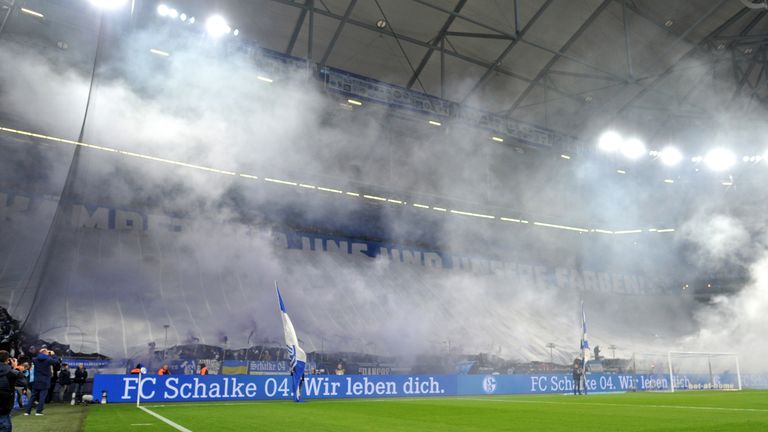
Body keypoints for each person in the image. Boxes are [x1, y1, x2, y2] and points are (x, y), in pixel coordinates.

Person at [25, 348, 59, 416]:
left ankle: (27, 412)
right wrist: (53, 355)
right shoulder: (48, 359)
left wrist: (44, 353)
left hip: (36, 380)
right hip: (45, 381)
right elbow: (57, 362)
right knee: (42, 397)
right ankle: (38, 412)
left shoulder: (34, 359)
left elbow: (38, 357)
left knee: (33, 397)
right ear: (46, 353)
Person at [1, 351, 27, 432]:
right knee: (5, 424)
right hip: (4, 405)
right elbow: (23, 382)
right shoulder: (11, 372)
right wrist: (15, 368)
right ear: (8, 360)